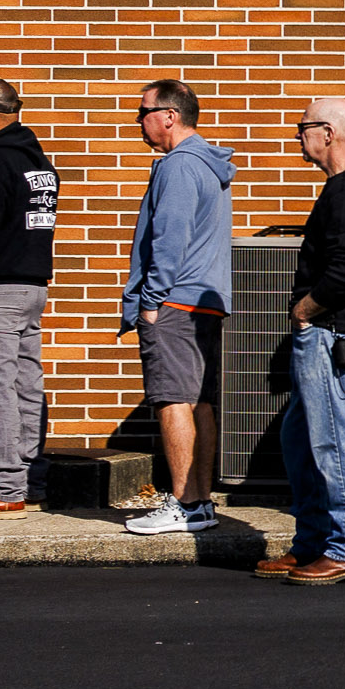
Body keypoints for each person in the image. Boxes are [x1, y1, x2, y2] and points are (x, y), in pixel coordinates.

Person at [268, 97, 345, 578]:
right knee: (300, 438)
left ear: (327, 132)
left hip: (330, 333)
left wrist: (304, 311)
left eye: (301, 128)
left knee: (334, 442)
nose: (297, 137)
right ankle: (313, 540)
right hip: (324, 332)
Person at [119, 81, 234, 537]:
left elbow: (169, 240)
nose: (138, 121)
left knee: (173, 400)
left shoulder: (180, 167)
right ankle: (199, 503)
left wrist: (149, 303)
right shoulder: (207, 164)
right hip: (203, 302)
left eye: (142, 111)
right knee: (198, 401)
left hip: (174, 301)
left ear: (169, 115)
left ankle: (187, 503)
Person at [0, 78, 62, 518]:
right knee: (26, 383)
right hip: (33, 285)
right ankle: (31, 479)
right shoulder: (38, 160)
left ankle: (3, 487)